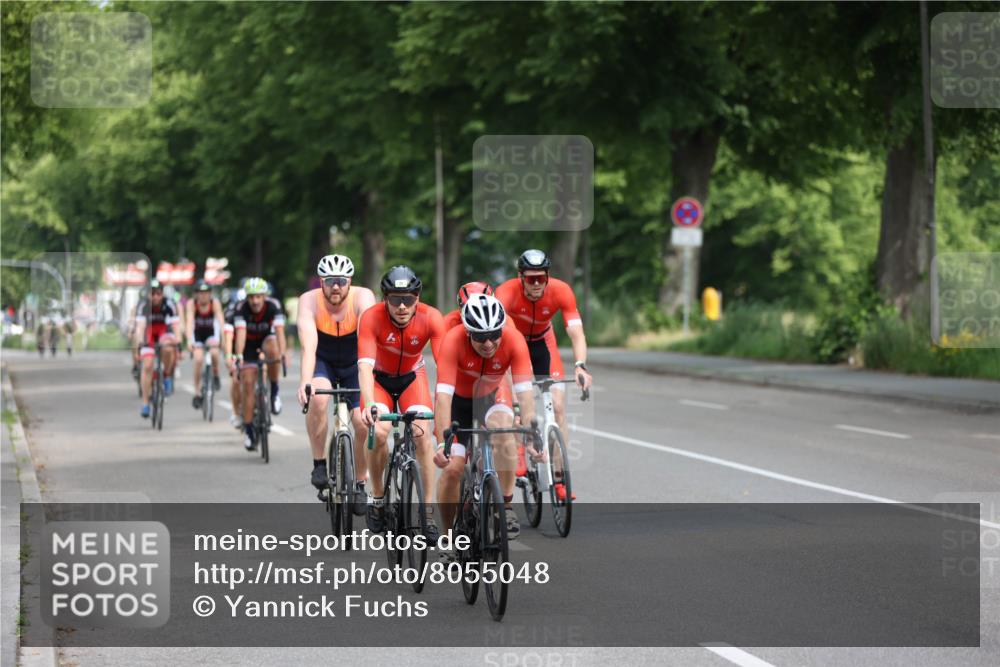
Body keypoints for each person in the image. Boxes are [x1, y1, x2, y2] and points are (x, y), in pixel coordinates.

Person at [433, 294, 535, 540]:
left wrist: (532, 435)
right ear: (468, 332)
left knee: (504, 433)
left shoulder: (514, 339)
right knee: (453, 469)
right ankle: (447, 536)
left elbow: (525, 394)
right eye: (480, 337)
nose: (488, 343)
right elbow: (443, 397)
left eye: (493, 335)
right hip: (459, 403)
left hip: (492, 395)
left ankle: (507, 506)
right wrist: (441, 443)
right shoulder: (453, 340)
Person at [495, 249, 593, 501]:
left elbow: (576, 332)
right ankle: (518, 450)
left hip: (543, 343)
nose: (537, 283)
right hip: (514, 344)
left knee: (558, 408)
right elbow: (505, 334)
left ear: (548, 276)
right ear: (521, 277)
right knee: (517, 404)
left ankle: (559, 476)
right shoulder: (505, 293)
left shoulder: (561, 290)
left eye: (541, 277)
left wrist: (580, 365)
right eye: (531, 278)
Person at [358, 266, 445, 538]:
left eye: (408, 298)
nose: (402, 306)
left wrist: (446, 407)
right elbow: (364, 366)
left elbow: (446, 371)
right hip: (378, 380)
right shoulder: (371, 317)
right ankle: (378, 498)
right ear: (385, 298)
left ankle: (427, 512)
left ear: (417, 297)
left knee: (422, 435)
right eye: (395, 299)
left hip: (411, 378)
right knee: (379, 431)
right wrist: (370, 405)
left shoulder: (431, 318)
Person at [296, 255, 375, 509]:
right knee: (318, 398)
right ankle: (319, 464)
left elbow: (367, 342)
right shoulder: (308, 301)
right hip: (323, 360)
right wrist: (306, 382)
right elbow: (309, 347)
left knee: (362, 422)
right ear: (321, 282)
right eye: (330, 281)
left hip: (355, 362)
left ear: (350, 281)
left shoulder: (363, 298)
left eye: (341, 281)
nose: (336, 287)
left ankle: (361, 482)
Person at [233, 277, 288, 450]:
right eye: (251, 297)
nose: (255, 301)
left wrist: (283, 354)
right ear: (247, 298)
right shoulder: (241, 308)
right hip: (248, 345)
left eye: (258, 296)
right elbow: (240, 334)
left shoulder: (274, 306)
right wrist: (239, 356)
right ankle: (249, 431)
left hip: (266, 340)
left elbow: (279, 333)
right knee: (248, 385)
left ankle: (274, 393)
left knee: (273, 348)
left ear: (264, 296)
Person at [134, 280, 182, 418]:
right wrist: (139, 344)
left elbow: (176, 326)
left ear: (162, 294)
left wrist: (178, 343)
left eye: (158, 293)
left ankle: (166, 375)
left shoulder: (169, 304)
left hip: (163, 332)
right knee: (147, 365)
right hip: (148, 333)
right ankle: (145, 403)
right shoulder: (143, 305)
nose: (155, 296)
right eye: (152, 293)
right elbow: (140, 327)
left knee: (168, 348)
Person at [186, 280, 224, 410]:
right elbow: (190, 323)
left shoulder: (215, 303)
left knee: (214, 352)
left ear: (210, 294)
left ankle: (216, 374)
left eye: (206, 293)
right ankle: (196, 392)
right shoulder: (192, 304)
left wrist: (223, 340)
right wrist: (189, 341)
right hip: (198, 335)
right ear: (196, 294)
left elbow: (220, 322)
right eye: (200, 293)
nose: (203, 296)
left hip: (211, 333)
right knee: (198, 359)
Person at [223, 288, 246, 428]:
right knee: (236, 378)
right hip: (235, 345)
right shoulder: (231, 313)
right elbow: (228, 337)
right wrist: (228, 356)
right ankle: (235, 411)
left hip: (252, 344)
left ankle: (263, 398)